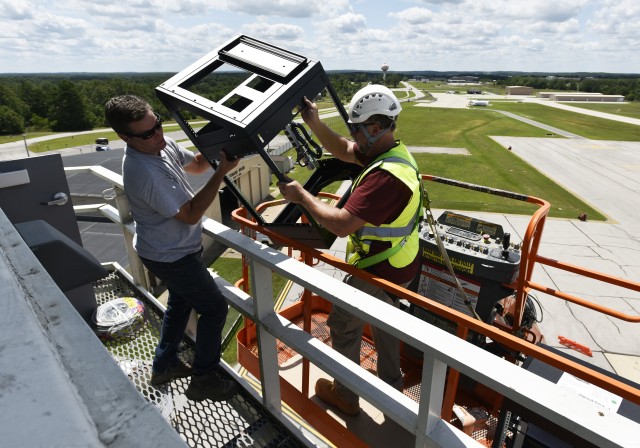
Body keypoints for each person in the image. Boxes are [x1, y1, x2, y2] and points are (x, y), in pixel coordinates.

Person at [278, 84, 422, 416]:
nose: (353, 136)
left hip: (380, 267)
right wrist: (313, 122)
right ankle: (392, 386)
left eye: (357, 129)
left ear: (374, 128)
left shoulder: (386, 177)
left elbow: (341, 224)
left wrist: (303, 197)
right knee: (386, 321)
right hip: (401, 261)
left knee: (342, 324)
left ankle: (346, 395)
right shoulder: (389, 153)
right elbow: (344, 149)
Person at [104, 95, 239, 402]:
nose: (159, 136)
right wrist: (221, 173)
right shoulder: (143, 170)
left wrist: (222, 145)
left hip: (169, 250)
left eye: (159, 126)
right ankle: (204, 379)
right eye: (148, 134)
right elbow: (191, 213)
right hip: (172, 256)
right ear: (125, 138)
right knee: (215, 309)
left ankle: (164, 365)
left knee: (179, 304)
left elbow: (195, 164)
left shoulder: (158, 146)